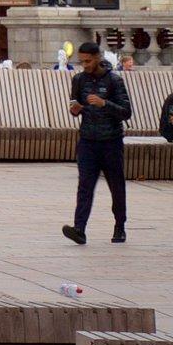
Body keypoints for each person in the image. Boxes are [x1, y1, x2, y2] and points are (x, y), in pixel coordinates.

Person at [60, 40, 131, 246]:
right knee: (85, 186)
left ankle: (120, 226)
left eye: (89, 61)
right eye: (82, 61)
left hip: (111, 140)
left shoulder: (114, 81)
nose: (85, 65)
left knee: (116, 186)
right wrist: (76, 109)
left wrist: (104, 103)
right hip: (88, 140)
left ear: (98, 58)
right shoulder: (79, 80)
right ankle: (79, 228)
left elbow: (126, 111)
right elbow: (75, 104)